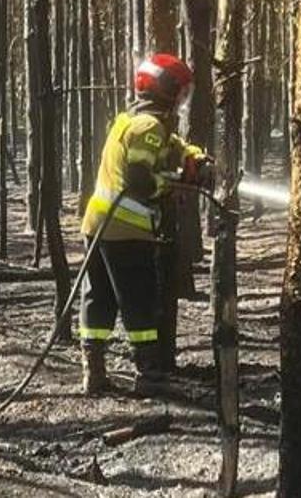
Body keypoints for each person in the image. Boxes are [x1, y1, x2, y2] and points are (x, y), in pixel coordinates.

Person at [78, 53, 210, 396]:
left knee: (99, 298)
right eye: (181, 92)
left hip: (97, 226)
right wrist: (177, 184)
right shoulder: (149, 127)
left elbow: (174, 146)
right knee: (139, 300)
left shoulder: (132, 120)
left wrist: (195, 158)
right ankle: (148, 374)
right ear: (167, 90)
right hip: (126, 230)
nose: (182, 99)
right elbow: (139, 181)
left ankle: (93, 372)